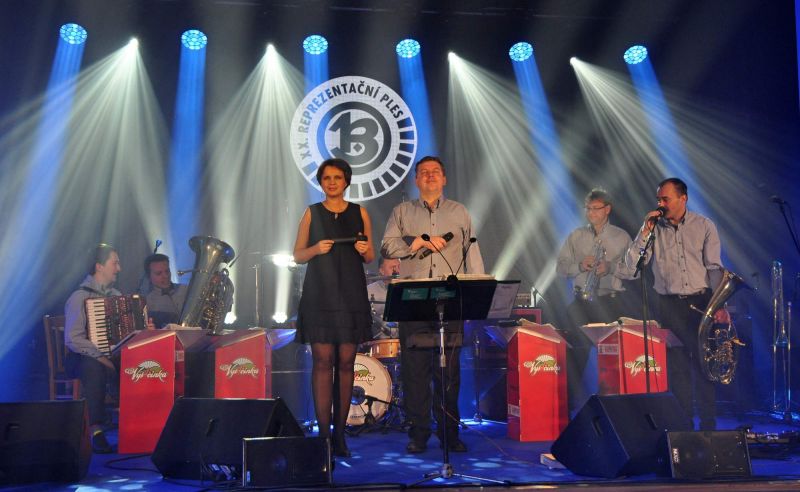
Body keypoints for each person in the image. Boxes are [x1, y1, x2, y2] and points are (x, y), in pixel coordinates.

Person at [381, 155, 485, 454]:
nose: (429, 176)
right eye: (424, 172)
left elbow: (472, 253)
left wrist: (476, 294)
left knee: (448, 371)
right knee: (415, 371)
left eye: (435, 172)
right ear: (416, 180)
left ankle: (450, 433)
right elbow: (387, 246)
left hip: (449, 297)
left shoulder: (459, 212)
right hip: (413, 298)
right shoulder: (402, 211)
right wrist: (415, 243)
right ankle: (418, 434)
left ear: (444, 178)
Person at [624, 177, 726, 430]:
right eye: (658, 199)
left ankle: (709, 426)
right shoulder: (654, 229)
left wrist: (719, 304)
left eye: (665, 199)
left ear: (683, 198)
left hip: (701, 302)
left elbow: (714, 267)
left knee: (703, 363)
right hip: (669, 305)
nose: (660, 204)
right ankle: (683, 426)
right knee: (677, 366)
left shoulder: (704, 225)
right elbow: (631, 267)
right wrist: (644, 231)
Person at [293, 158, 374, 458]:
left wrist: (365, 250)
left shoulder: (360, 212)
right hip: (320, 295)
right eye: (326, 178)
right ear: (321, 182)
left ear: (346, 181)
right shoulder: (311, 213)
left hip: (351, 294)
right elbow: (297, 255)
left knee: (346, 363)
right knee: (322, 362)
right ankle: (323, 436)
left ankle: (340, 435)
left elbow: (370, 256)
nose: (331, 182)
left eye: (337, 177)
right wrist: (316, 249)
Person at [64, 244, 153, 453]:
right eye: (115, 263)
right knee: (93, 366)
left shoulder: (117, 295)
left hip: (110, 356)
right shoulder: (79, 297)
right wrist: (101, 357)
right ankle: (96, 430)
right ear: (99, 266)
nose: (119, 268)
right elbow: (73, 339)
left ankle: (139, 422)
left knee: (138, 363)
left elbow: (126, 336)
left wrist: (144, 330)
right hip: (81, 358)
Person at [556, 188, 633, 414]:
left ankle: (614, 408)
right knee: (573, 356)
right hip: (583, 302)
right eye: (588, 208)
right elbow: (560, 268)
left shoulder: (622, 236)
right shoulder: (576, 235)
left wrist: (610, 267)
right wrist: (580, 265)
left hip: (611, 302)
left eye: (595, 209)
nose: (590, 213)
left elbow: (634, 271)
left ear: (607, 209)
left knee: (612, 359)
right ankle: (567, 407)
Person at [142, 253, 188, 328]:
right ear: (149, 277)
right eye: (159, 273)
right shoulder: (146, 303)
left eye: (167, 271)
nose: (165, 276)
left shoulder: (186, 290)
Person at [366, 257, 401, 339]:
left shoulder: (408, 289)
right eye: (393, 267)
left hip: (405, 340)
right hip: (378, 342)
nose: (397, 271)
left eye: (399, 267)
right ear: (382, 270)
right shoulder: (368, 291)